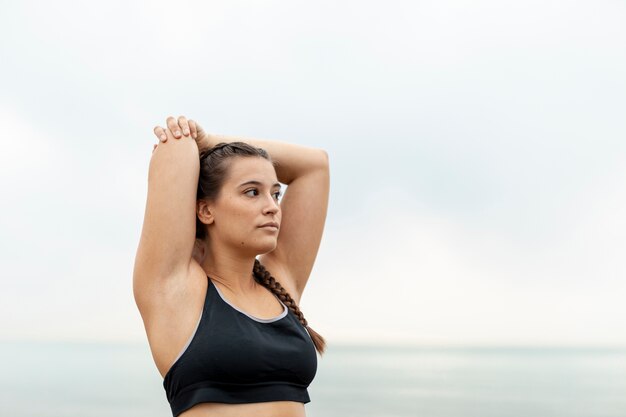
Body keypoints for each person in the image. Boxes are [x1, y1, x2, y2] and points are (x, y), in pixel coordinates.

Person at [133, 115, 330, 417]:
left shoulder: (279, 285)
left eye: (275, 193)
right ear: (206, 209)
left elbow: (315, 165)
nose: (272, 206)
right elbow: (178, 147)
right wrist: (199, 144)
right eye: (252, 192)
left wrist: (212, 141)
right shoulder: (177, 292)